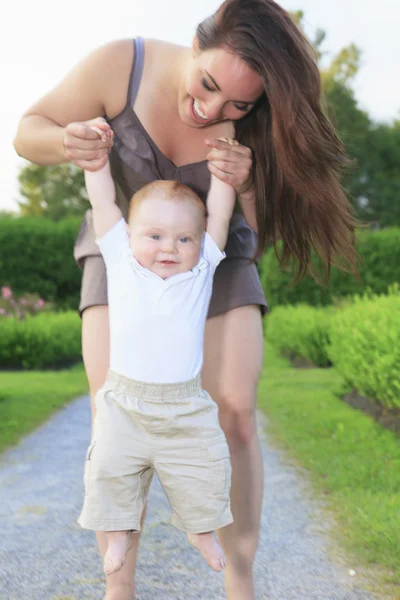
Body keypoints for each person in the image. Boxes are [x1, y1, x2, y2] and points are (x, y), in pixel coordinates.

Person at [13, 1, 357, 598]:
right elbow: (27, 131)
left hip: (214, 262)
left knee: (236, 413)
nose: (213, 111)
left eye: (238, 106)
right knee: (112, 410)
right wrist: (70, 142)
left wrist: (248, 183)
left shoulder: (255, 122)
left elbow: (268, 226)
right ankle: (119, 585)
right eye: (208, 85)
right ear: (195, 46)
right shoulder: (123, 63)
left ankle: (239, 579)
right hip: (121, 252)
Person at [78, 151, 236, 576]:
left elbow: (219, 213)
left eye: (184, 239)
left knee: (205, 465)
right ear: (129, 235)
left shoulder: (202, 268)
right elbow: (104, 204)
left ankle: (201, 531)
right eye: (155, 236)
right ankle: (118, 534)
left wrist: (223, 176)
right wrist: (96, 166)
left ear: (199, 242)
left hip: (185, 405)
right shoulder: (120, 261)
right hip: (124, 401)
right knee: (110, 468)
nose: (169, 247)